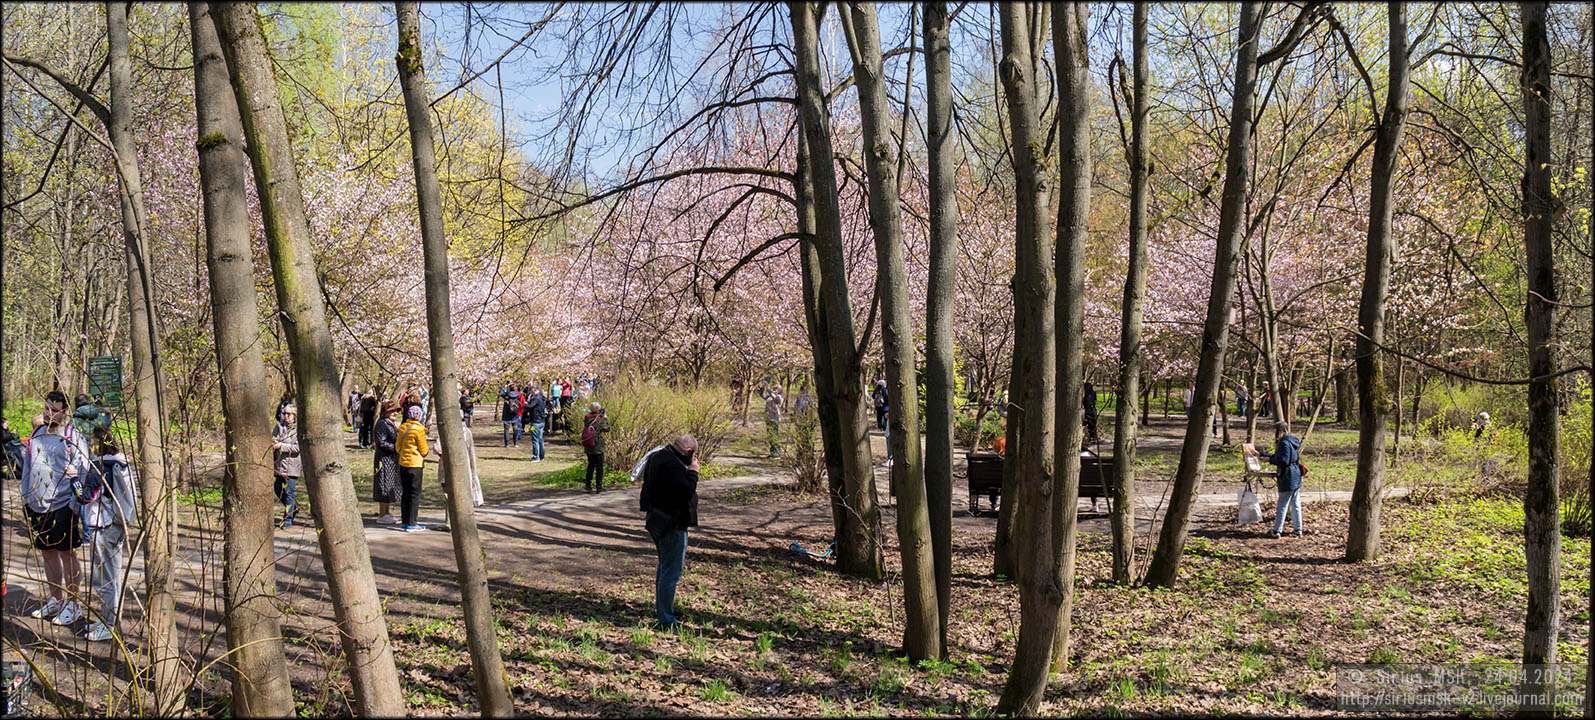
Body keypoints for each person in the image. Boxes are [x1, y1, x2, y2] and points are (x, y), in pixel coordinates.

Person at [21, 390, 91, 626]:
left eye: (54, 409)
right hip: (36, 505)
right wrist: (25, 499)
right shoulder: (37, 433)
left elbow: (83, 470)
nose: (48, 413)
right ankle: (55, 599)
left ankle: (73, 605)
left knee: (66, 553)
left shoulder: (73, 436)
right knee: (47, 552)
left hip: (62, 504)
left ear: (64, 412)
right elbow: (28, 469)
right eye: (46, 408)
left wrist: (74, 503)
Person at [80, 426, 136, 641]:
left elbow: (85, 496)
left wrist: (75, 479)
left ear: (98, 443)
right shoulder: (121, 462)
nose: (89, 445)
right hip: (118, 523)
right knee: (113, 574)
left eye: (92, 441)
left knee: (103, 576)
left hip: (103, 526)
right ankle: (110, 620)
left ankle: (108, 624)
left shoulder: (100, 467)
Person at [639, 434, 700, 630]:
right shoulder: (672, 465)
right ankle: (666, 619)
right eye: (693, 455)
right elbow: (685, 492)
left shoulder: (660, 455)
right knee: (671, 572)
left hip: (658, 519)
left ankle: (665, 608)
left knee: (664, 568)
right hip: (670, 523)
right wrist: (693, 472)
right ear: (688, 452)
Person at [1264, 422, 1305, 538]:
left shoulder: (1284, 443)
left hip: (1288, 477)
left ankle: (1277, 530)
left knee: (1282, 504)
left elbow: (1283, 461)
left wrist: (1269, 460)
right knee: (1295, 504)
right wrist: (1263, 455)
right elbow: (1280, 456)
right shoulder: (1292, 441)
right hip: (1295, 474)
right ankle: (1298, 529)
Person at [395, 405, 430, 532]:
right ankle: (412, 523)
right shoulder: (419, 430)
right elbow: (424, 450)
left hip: (403, 464)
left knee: (405, 492)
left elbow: (397, 447)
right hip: (415, 465)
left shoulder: (402, 428)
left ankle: (405, 521)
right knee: (415, 494)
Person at [272, 404, 302, 529]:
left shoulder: (299, 429)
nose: (285, 416)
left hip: (292, 466)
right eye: (284, 413)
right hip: (278, 465)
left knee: (289, 493)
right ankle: (293, 508)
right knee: (278, 490)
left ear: (294, 416)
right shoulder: (278, 426)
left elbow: (298, 448)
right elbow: (274, 438)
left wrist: (281, 446)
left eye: (288, 414)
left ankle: (288, 519)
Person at [372, 401, 402, 523]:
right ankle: (382, 514)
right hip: (384, 459)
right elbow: (381, 442)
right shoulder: (382, 424)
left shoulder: (390, 423)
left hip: (391, 459)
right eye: (392, 411)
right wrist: (396, 448)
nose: (395, 413)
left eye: (396, 411)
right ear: (385, 412)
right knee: (383, 485)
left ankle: (387, 512)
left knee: (389, 485)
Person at [582, 402, 611, 492]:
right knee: (599, 467)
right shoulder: (600, 420)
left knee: (590, 465)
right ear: (598, 410)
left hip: (589, 445)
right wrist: (605, 418)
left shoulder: (587, 418)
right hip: (598, 446)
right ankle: (599, 486)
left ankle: (588, 485)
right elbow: (607, 429)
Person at [524, 387, 549, 461]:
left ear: (534, 390)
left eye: (531, 391)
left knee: (535, 439)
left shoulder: (536, 398)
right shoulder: (542, 397)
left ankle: (536, 456)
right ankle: (542, 456)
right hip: (541, 421)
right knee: (540, 439)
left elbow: (529, 406)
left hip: (535, 422)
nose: (531, 393)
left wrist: (525, 403)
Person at [762, 385, 784, 458]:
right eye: (773, 388)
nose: (774, 390)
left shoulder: (780, 397)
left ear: (779, 391)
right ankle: (772, 452)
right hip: (768, 418)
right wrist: (762, 387)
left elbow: (775, 397)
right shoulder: (770, 397)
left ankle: (777, 453)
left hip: (774, 419)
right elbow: (763, 395)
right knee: (770, 436)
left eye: (776, 389)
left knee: (774, 435)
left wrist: (768, 388)